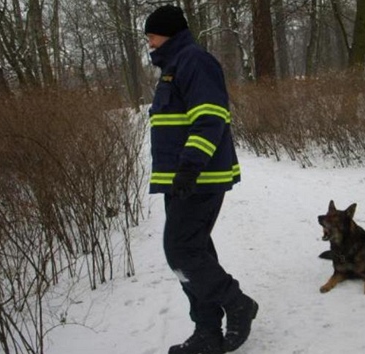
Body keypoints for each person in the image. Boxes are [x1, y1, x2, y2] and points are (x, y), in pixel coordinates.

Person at [144, 5, 258, 354]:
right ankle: (207, 330)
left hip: (198, 177)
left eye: (151, 34)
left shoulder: (193, 61)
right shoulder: (174, 66)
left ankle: (238, 303)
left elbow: (210, 117)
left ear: (168, 32)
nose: (148, 41)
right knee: (193, 249)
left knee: (180, 252)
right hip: (181, 179)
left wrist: (190, 166)